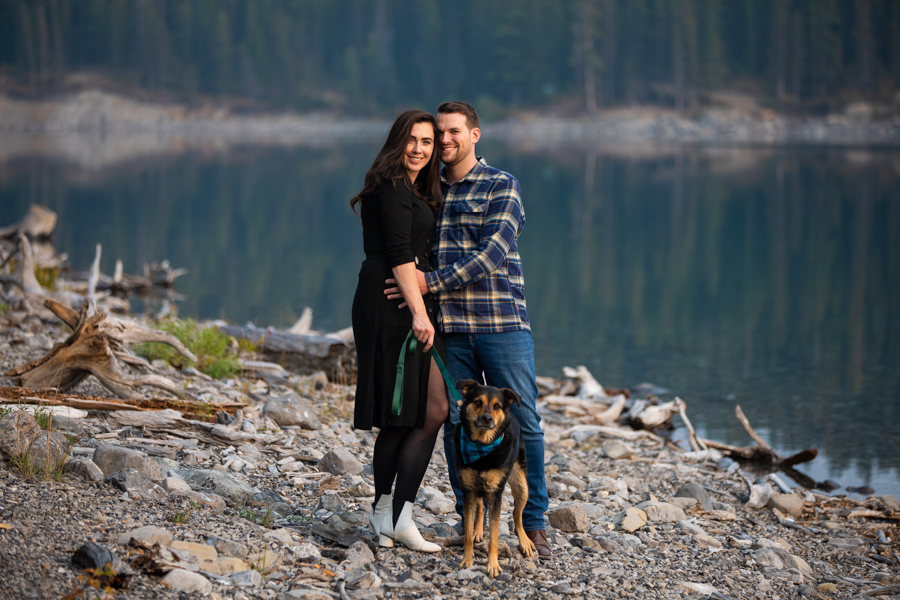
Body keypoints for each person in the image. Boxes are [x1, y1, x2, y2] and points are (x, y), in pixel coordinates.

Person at [386, 101, 551, 556]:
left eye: (454, 131)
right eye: (439, 133)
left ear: (474, 135)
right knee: (457, 423)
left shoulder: (503, 186)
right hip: (450, 329)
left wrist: (427, 282)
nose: (445, 140)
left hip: (502, 325)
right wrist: (406, 285)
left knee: (526, 423)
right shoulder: (430, 188)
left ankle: (533, 523)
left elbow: (491, 255)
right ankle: (473, 523)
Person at [351, 109, 449, 553]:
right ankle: (387, 512)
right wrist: (419, 313)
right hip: (391, 300)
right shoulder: (390, 184)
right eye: (412, 140)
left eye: (427, 142)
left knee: (428, 409)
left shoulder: (414, 188)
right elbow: (397, 252)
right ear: (398, 141)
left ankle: (396, 514)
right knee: (403, 411)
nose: (419, 149)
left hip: (406, 298)